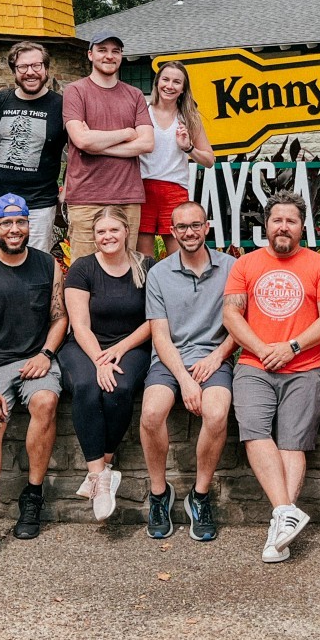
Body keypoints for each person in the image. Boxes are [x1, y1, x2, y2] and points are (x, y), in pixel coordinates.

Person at [222, 192, 320, 563]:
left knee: (292, 443)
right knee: (255, 432)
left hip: (304, 368)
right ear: (266, 226)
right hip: (255, 367)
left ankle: (279, 526)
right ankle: (285, 512)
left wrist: (290, 347)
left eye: (291, 221)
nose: (283, 227)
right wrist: (262, 348)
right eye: (277, 220)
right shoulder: (246, 265)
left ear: (302, 227)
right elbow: (231, 315)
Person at [0, 194, 68, 564]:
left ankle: (32, 496)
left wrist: (46, 354)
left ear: (28, 225)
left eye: (20, 222)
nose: (14, 229)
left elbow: (59, 318)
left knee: (46, 402)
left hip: (36, 359)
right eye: (6, 223)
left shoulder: (48, 266)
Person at [139, 200, 237, 541]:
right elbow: (160, 335)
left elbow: (238, 325)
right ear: (173, 231)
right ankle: (158, 494)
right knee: (151, 412)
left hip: (214, 357)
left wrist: (217, 357)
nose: (189, 232)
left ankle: (199, 496)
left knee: (216, 413)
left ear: (207, 227)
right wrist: (183, 379)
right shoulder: (159, 274)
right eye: (181, 227)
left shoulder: (230, 268)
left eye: (195, 225)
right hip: (170, 360)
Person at [59, 206, 154, 521]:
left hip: (133, 345)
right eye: (101, 232)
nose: (107, 236)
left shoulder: (145, 266)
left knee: (119, 388)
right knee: (87, 385)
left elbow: (155, 320)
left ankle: (101, 472)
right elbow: (80, 324)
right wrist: (100, 358)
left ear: (126, 231)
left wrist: (120, 349)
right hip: (85, 346)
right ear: (94, 236)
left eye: (114, 230)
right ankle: (101, 476)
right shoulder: (83, 268)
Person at [62, 31, 154, 255]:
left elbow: (147, 143)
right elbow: (81, 140)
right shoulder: (75, 91)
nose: (109, 56)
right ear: (90, 54)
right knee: (83, 272)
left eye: (115, 51)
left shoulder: (134, 95)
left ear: (121, 56)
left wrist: (97, 143)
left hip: (127, 197)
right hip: (86, 198)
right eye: (102, 50)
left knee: (125, 269)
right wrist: (126, 132)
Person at [0, 41, 67, 253]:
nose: (30, 72)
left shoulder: (61, 105)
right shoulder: (0, 100)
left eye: (36, 66)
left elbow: (76, 152)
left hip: (39, 204)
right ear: (14, 71)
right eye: (23, 67)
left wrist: (68, 189)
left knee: (36, 266)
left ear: (46, 69)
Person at [137, 60, 216, 257]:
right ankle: (148, 289)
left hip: (174, 190)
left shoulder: (189, 117)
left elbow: (209, 159)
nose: (169, 86)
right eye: (165, 79)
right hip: (142, 189)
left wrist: (189, 148)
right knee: (143, 260)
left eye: (176, 82)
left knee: (180, 257)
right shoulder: (141, 112)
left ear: (183, 89)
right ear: (156, 82)